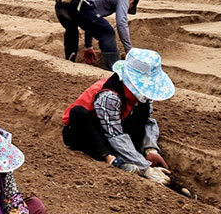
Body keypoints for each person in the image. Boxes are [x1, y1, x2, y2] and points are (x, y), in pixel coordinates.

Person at [59, 48, 174, 186]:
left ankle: (132, 156)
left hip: (114, 127)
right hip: (88, 132)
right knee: (78, 113)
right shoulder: (110, 96)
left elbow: (148, 122)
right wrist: (145, 169)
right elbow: (114, 135)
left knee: (141, 111)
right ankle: (111, 159)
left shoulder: (143, 95)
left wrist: (150, 149)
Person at [54, 0, 139, 70]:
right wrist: (129, 51)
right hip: (77, 3)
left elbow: (91, 23)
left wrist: (88, 47)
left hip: (61, 5)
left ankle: (69, 62)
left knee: (71, 30)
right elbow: (121, 23)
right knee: (107, 32)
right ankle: (115, 70)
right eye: (130, 7)